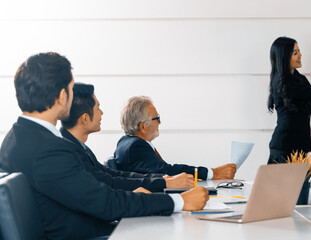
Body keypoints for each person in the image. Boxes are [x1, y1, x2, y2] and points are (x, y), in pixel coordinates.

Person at [0, 52, 208, 240]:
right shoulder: (48, 149)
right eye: (71, 89)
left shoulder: (15, 139)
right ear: (62, 96)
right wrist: (179, 202)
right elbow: (104, 203)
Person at [60, 82, 194, 192]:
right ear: (84, 118)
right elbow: (111, 182)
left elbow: (114, 175)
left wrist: (165, 180)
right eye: (98, 108)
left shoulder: (79, 146)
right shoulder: (69, 151)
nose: (102, 113)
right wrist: (165, 183)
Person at [113, 96, 237, 180]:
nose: (160, 123)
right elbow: (166, 171)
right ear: (143, 127)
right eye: (157, 118)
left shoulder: (125, 142)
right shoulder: (136, 146)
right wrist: (212, 173)